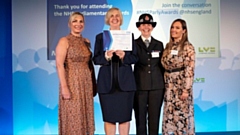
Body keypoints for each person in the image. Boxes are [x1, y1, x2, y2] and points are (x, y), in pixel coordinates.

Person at [93, 7, 138, 135]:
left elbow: (135, 58)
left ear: (121, 19)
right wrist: (106, 57)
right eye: (111, 16)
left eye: (117, 15)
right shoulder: (101, 38)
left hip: (125, 84)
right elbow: (96, 59)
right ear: (108, 19)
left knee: (125, 118)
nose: (114, 18)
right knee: (109, 119)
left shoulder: (129, 36)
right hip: (106, 84)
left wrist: (124, 56)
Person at [55, 12, 95, 135]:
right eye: (75, 21)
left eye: (81, 21)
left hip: (86, 83)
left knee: (84, 115)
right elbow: (59, 65)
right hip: (72, 82)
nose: (78, 24)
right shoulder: (64, 40)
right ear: (69, 24)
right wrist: (64, 87)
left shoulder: (86, 41)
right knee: (73, 116)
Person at [161, 19, 195, 135]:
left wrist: (186, 89)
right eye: (172, 27)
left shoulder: (188, 47)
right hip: (168, 86)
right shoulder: (168, 46)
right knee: (170, 116)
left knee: (181, 116)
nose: (173, 30)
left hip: (180, 86)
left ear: (184, 31)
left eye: (177, 28)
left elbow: (190, 69)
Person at [133, 13, 165, 135]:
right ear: (139, 27)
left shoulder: (159, 44)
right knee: (140, 118)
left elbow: (162, 65)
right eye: (143, 24)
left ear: (152, 27)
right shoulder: (133, 44)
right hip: (139, 85)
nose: (146, 27)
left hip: (156, 86)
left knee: (154, 118)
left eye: (149, 24)